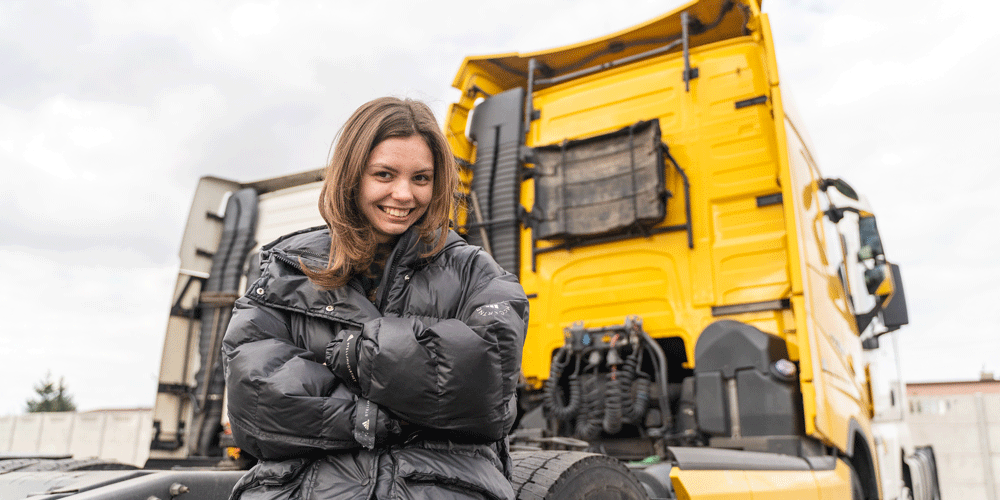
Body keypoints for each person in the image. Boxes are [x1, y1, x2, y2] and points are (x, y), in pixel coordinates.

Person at [222, 96, 528, 500]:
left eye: (421, 178)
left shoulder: (477, 271)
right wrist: (377, 415)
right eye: (384, 174)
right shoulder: (286, 269)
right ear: (352, 176)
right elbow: (256, 401)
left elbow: (486, 386)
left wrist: (360, 354)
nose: (404, 194)